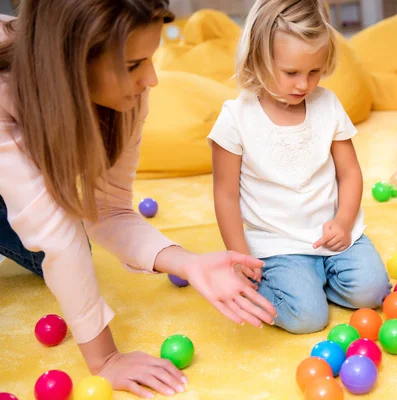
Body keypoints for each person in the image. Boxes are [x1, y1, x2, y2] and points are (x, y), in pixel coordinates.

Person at [0, 1, 275, 397]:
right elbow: (56, 235)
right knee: (58, 249)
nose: (152, 79)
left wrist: (189, 262)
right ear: (69, 65)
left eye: (150, 58)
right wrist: (105, 359)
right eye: (132, 66)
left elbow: (107, 210)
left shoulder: (129, 97)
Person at [208, 0, 391, 335]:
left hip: (335, 236)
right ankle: (302, 286)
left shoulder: (327, 104)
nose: (303, 85)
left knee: (373, 292)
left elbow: (349, 172)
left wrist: (344, 221)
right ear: (257, 60)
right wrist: (239, 261)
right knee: (307, 318)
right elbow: (225, 195)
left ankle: (313, 281)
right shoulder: (236, 118)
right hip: (277, 245)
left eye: (314, 72)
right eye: (291, 72)